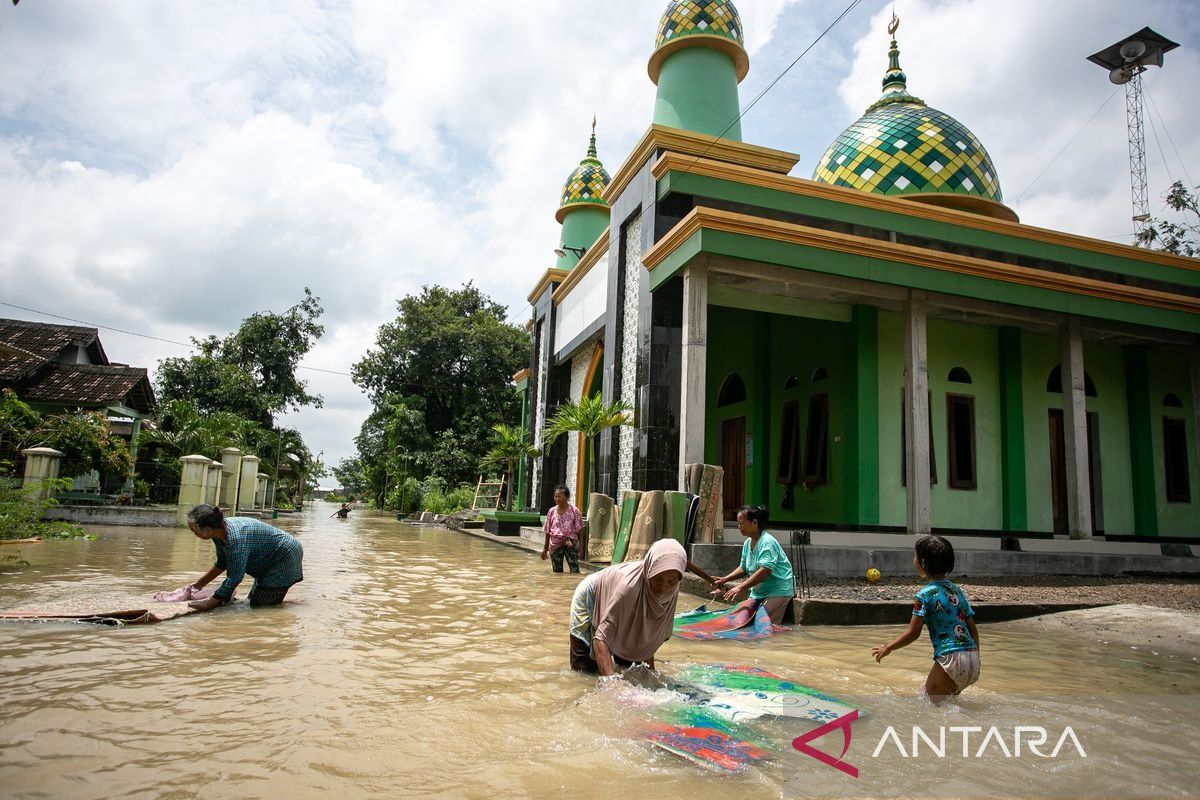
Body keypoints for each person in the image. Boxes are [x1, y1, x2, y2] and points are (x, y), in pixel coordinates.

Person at [872, 535, 980, 702]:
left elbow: (913, 633)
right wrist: (975, 656)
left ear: (922, 563)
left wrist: (888, 647)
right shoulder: (956, 591)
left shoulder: (924, 595)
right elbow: (973, 629)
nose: (913, 559)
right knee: (947, 704)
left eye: (914, 555)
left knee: (930, 705)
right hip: (972, 658)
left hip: (950, 657)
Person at [569, 538, 687, 676]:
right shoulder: (628, 587)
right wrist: (612, 685)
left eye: (671, 581)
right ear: (649, 571)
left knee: (632, 669)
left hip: (625, 600)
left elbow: (649, 631)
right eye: (659, 578)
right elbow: (601, 638)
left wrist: (651, 676)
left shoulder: (672, 589)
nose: (664, 585)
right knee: (584, 670)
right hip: (591, 595)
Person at [184, 504, 305, 611]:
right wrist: (196, 586)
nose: (194, 534)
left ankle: (286, 606)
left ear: (207, 529)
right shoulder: (218, 533)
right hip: (268, 557)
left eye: (194, 531)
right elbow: (222, 563)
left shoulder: (235, 539)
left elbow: (235, 577)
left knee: (260, 607)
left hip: (285, 555)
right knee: (254, 599)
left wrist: (209, 604)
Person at [712, 505, 795, 623]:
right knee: (740, 619)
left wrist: (740, 587)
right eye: (738, 524)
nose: (739, 527)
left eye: (742, 523)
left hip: (778, 590)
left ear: (754, 523)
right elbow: (743, 567)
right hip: (758, 592)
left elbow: (765, 571)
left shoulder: (767, 542)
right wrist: (725, 579)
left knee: (761, 623)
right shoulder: (747, 543)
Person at [541, 485, 583, 574]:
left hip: (570, 544)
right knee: (557, 572)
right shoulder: (551, 511)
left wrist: (581, 548)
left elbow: (579, 530)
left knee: (575, 570)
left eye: (559, 496)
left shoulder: (574, 510)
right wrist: (545, 549)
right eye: (555, 496)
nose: (557, 498)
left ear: (566, 497)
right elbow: (548, 531)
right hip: (555, 544)